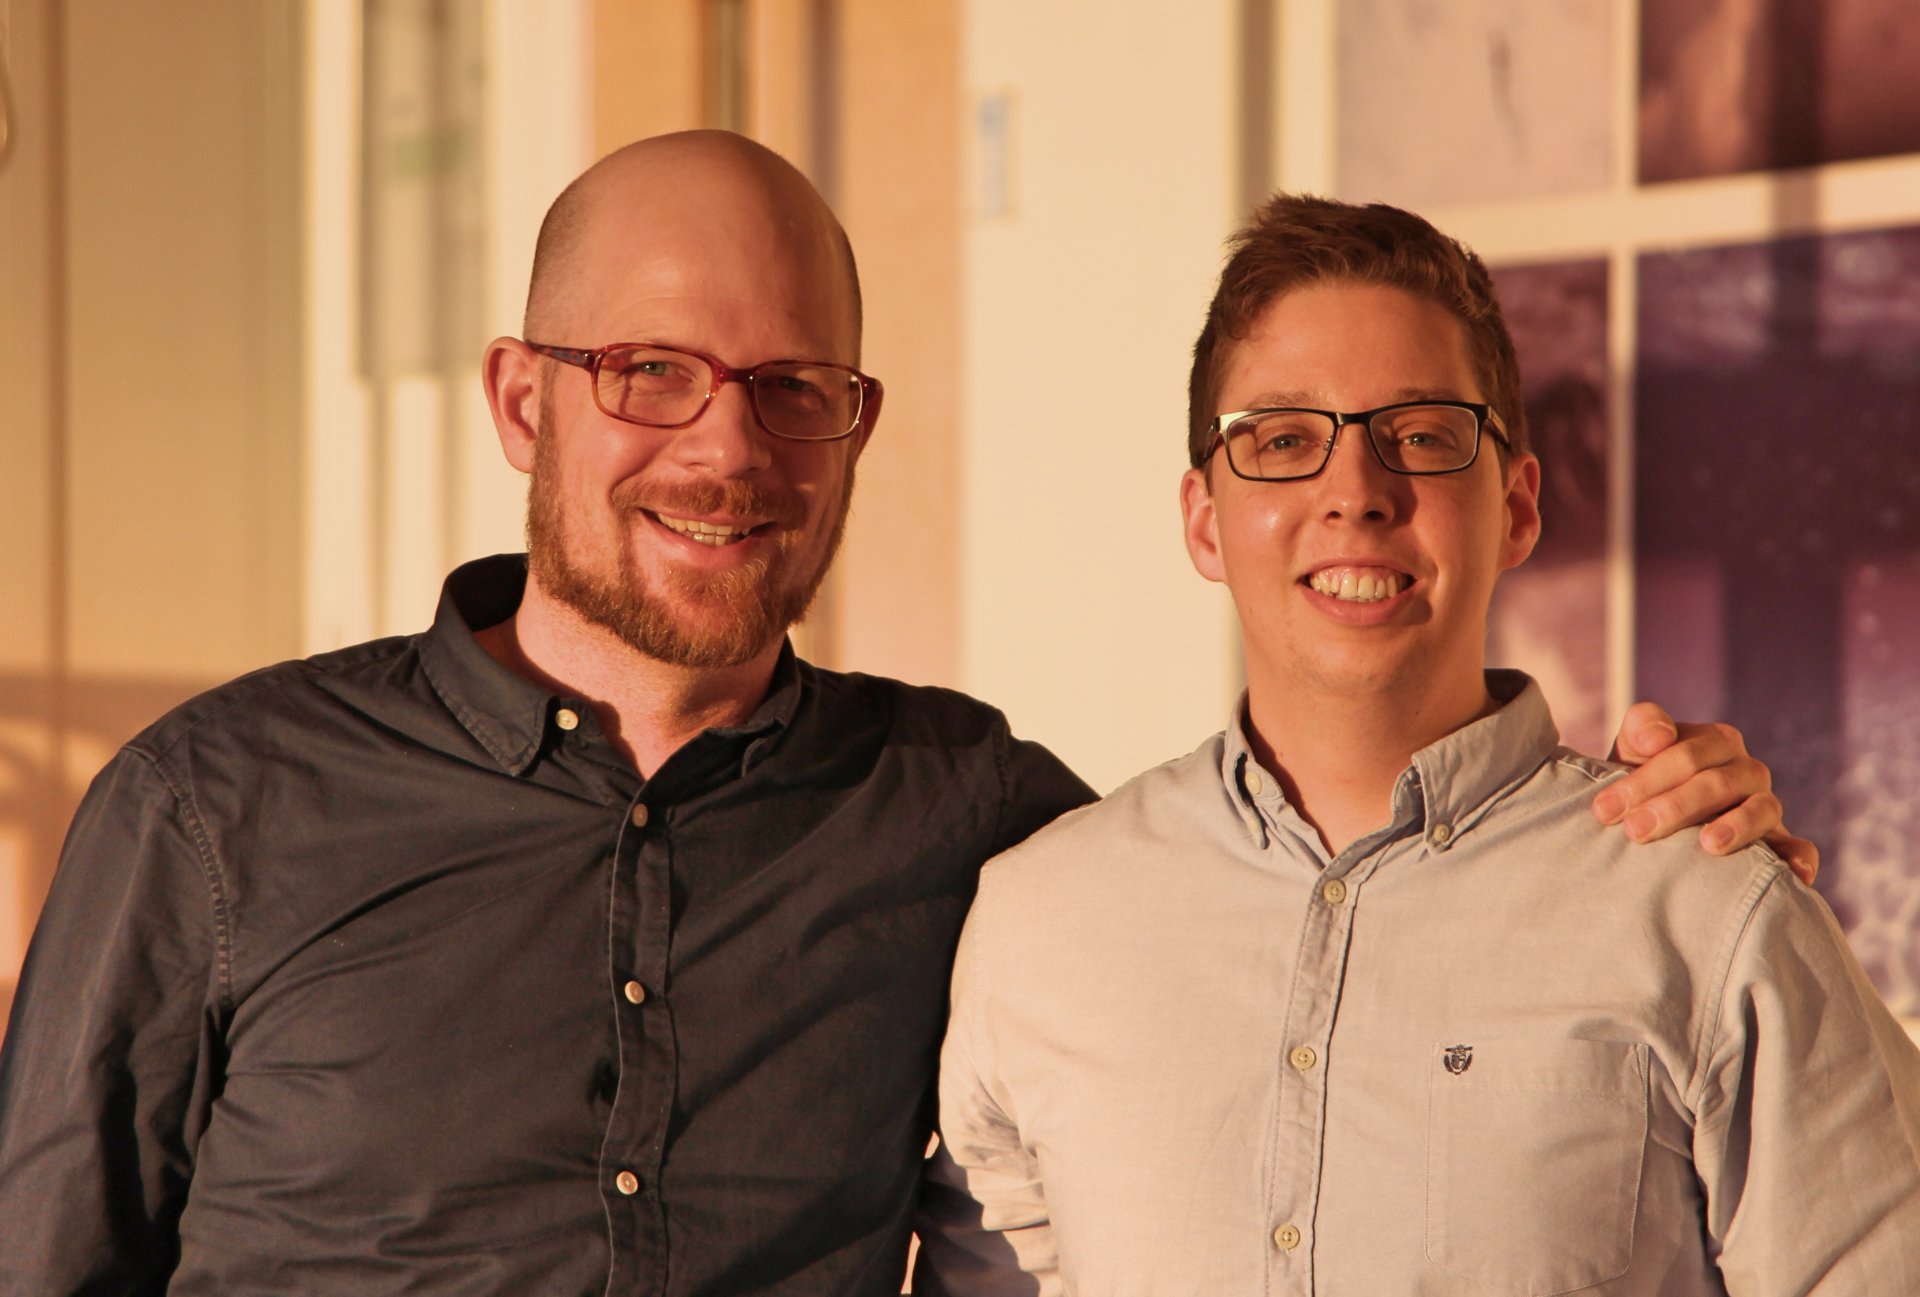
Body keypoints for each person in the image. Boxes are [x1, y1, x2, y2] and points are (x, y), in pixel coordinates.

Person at [0, 135, 1806, 1295]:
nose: (726, 447)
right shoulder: (211, 810)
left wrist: (1680, 840)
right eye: (650, 374)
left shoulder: (971, 813)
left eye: (794, 388)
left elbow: (1293, 906)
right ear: (518, 400)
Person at [913, 194, 1920, 1295]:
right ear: (1205, 517)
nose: (1355, 492)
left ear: (1517, 507)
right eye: (1286, 438)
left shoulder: (1704, 909)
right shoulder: (1036, 926)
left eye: (1422, 435)